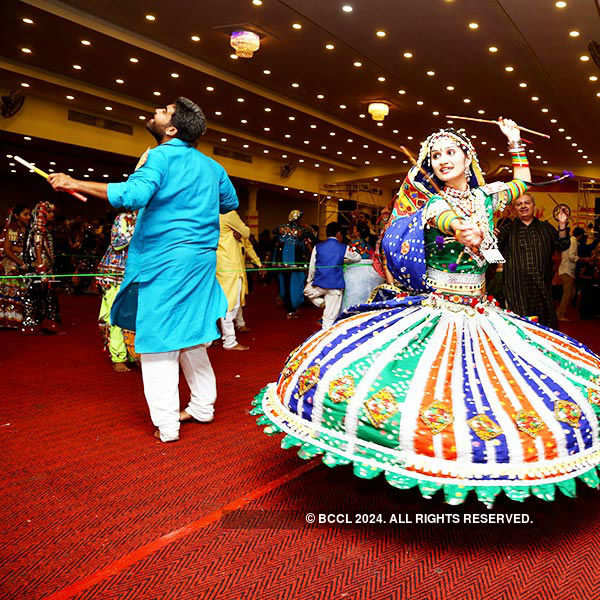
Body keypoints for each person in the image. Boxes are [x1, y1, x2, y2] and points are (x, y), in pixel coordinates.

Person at [252, 120, 600, 507]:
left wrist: (516, 141)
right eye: (435, 156)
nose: (442, 160)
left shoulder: (489, 197)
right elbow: (446, 221)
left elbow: (522, 182)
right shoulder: (436, 204)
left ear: (469, 159)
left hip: (480, 309)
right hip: (439, 307)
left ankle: (470, 455)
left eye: (451, 152)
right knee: (426, 381)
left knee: (484, 386)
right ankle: (421, 457)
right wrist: (464, 230)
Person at [49, 97, 239, 443]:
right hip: (200, 262)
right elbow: (230, 202)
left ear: (171, 129)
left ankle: (167, 426)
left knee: (156, 343)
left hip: (165, 261)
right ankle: (203, 407)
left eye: (163, 111)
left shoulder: (159, 156)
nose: (156, 111)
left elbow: (131, 196)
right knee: (192, 337)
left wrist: (75, 183)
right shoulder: (213, 167)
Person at [497, 194, 570, 328]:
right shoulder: (507, 230)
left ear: (533, 206)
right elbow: (492, 251)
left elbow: (563, 244)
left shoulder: (546, 228)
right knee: (519, 326)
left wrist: (562, 224)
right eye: (519, 204)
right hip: (516, 289)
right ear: (515, 209)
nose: (523, 206)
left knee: (545, 326)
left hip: (542, 287)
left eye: (527, 203)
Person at [96, 211, 138, 372]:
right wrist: (137, 230)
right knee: (116, 314)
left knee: (134, 315)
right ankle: (118, 357)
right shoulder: (123, 219)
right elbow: (117, 243)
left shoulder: (153, 216)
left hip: (137, 273)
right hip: (116, 274)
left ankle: (133, 353)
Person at [216, 210, 260, 351]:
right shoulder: (229, 214)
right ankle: (229, 341)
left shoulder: (210, 214)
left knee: (220, 302)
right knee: (231, 304)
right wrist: (240, 231)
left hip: (219, 266)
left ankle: (211, 338)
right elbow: (247, 232)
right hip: (231, 267)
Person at [304, 222, 361, 329]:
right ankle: (326, 339)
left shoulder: (317, 247)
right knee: (329, 319)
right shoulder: (343, 247)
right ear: (338, 233)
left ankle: (320, 302)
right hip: (335, 287)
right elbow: (358, 258)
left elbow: (312, 266)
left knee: (306, 291)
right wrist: (344, 260)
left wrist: (309, 280)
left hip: (319, 284)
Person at [22, 201, 60, 334]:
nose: (52, 215)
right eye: (49, 212)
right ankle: (31, 322)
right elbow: (38, 247)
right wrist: (41, 267)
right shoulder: (38, 230)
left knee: (46, 295)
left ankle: (44, 321)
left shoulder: (43, 229)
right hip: (40, 267)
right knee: (35, 294)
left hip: (45, 266)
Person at [273, 210, 315, 319]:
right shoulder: (302, 229)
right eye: (301, 218)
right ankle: (291, 310)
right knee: (293, 287)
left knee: (288, 286)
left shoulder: (282, 228)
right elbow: (313, 235)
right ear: (297, 219)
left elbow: (275, 232)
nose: (302, 220)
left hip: (286, 264)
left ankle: (290, 310)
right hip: (294, 264)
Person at [0, 205, 31, 329]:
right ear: (17, 216)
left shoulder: (26, 229)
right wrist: (21, 262)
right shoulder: (13, 229)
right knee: (10, 292)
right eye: (25, 214)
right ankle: (7, 320)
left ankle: (14, 319)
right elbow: (8, 250)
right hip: (12, 265)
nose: (29, 217)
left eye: (29, 214)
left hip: (21, 264)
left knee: (19, 293)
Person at [342, 223, 384, 311]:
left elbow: (348, 257)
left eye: (353, 230)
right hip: (370, 271)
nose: (351, 232)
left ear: (358, 233)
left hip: (355, 272)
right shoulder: (369, 243)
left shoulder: (354, 244)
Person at [557, 226, 585, 321]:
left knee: (571, 293)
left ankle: (559, 312)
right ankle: (560, 315)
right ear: (580, 235)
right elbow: (571, 256)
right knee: (567, 295)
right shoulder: (573, 241)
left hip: (565, 270)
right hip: (567, 270)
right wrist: (581, 259)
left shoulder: (570, 240)